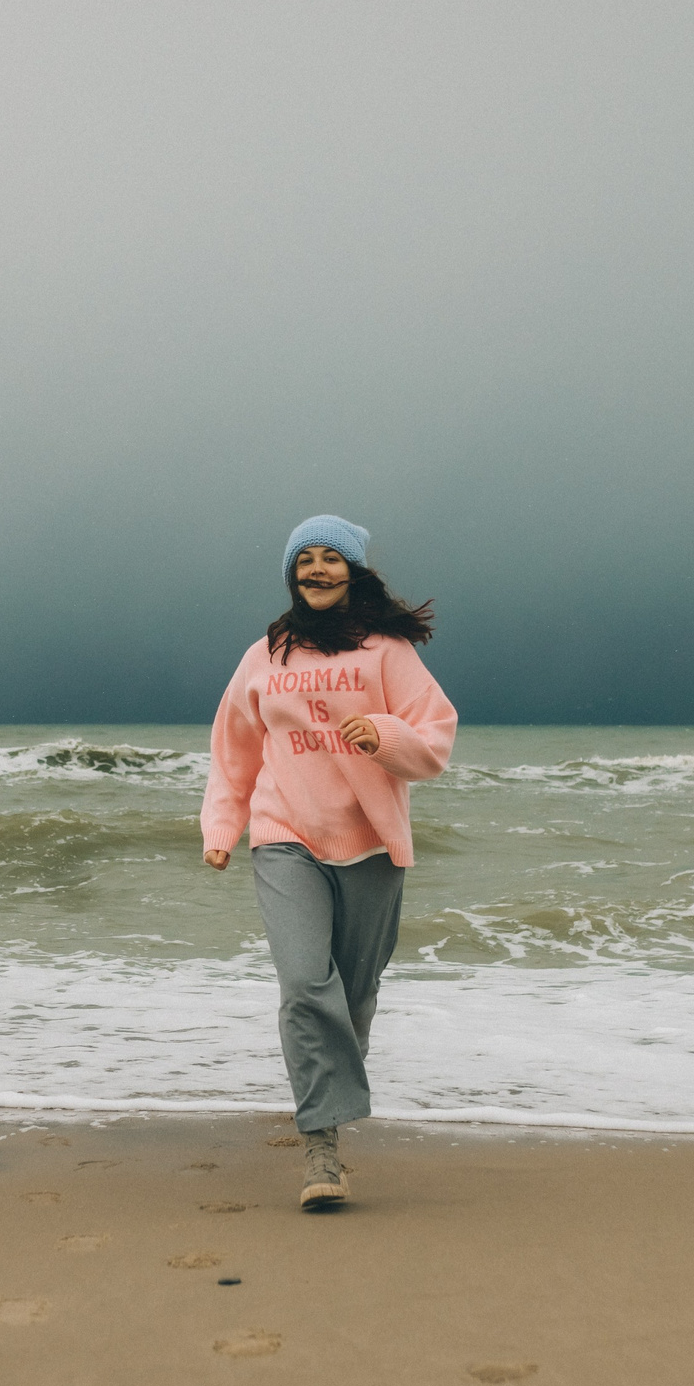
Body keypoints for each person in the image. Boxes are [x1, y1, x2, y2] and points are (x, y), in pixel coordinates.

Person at [200, 514, 457, 1210]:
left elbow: (435, 739)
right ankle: (321, 1148)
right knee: (307, 985)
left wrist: (383, 733)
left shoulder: (387, 652)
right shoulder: (267, 655)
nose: (316, 569)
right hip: (284, 837)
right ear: (292, 573)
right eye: (304, 559)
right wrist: (223, 825)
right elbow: (235, 748)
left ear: (354, 570)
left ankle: (331, 1118)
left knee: (354, 994)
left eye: (330, 558)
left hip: (371, 843)